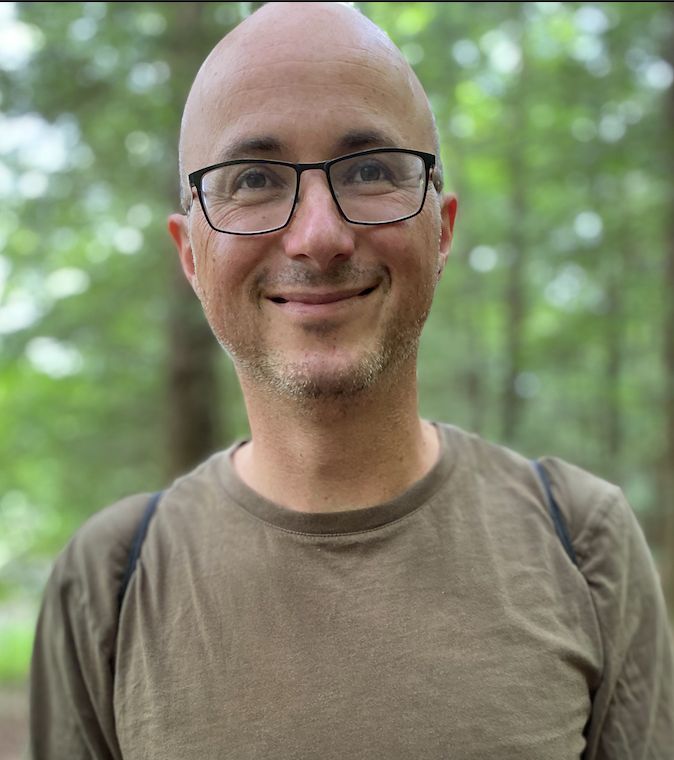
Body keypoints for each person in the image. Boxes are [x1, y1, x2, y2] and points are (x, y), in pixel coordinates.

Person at [30, 3, 673, 759]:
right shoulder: (108, 581)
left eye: (370, 171)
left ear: (442, 229)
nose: (319, 237)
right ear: (191, 254)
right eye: (254, 179)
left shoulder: (584, 545)